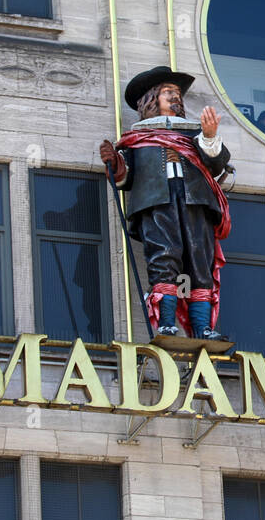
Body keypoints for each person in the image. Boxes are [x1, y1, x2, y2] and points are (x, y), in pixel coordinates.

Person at [99, 66, 231, 341]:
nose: (175, 97)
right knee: (163, 258)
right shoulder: (139, 138)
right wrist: (114, 162)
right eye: (168, 92)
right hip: (156, 203)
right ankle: (166, 323)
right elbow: (127, 176)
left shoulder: (194, 134)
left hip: (195, 202)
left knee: (200, 261)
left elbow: (217, 166)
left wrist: (209, 137)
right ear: (151, 99)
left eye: (177, 93)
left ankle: (202, 327)